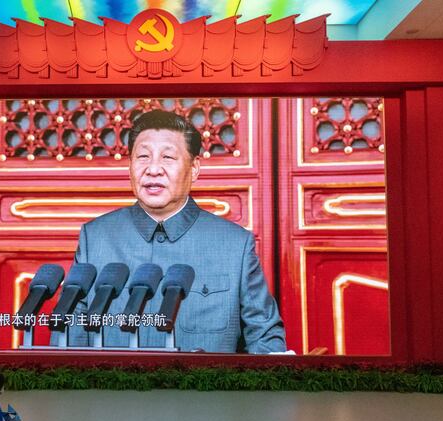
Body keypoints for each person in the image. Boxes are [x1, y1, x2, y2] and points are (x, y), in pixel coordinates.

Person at [65, 109, 286, 353]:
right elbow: (72, 334)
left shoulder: (235, 246)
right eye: (143, 157)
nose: (153, 169)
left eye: (168, 158)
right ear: (130, 166)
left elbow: (265, 339)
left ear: (194, 169)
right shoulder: (96, 238)